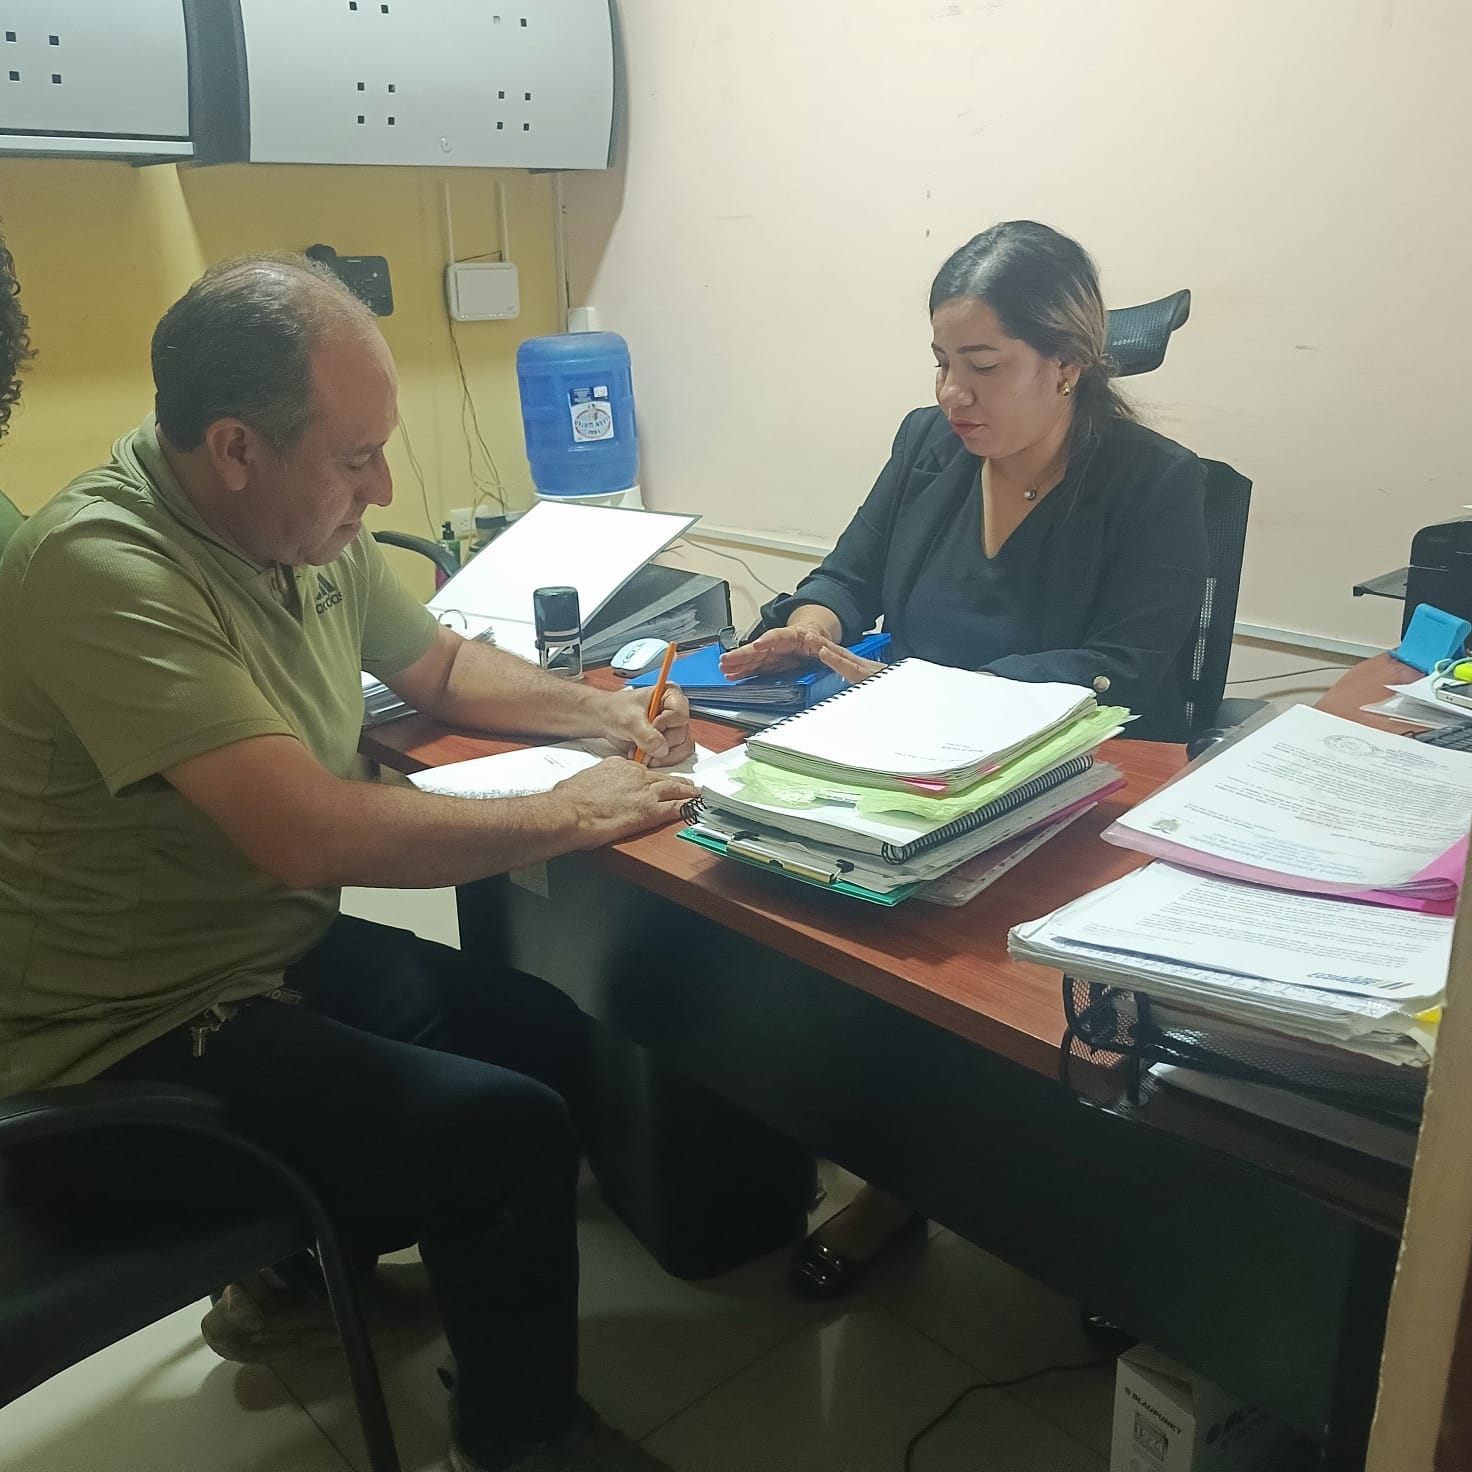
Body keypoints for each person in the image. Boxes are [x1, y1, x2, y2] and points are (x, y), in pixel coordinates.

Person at [0, 254, 699, 1472]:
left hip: (256, 947)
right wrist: (569, 812)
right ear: (235, 447)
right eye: (356, 457)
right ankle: (517, 1440)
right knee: (502, 1131)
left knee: (541, 1036)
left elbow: (439, 665)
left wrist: (603, 717)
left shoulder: (290, 514)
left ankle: (294, 1275)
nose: (379, 488)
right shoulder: (101, 566)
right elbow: (310, 832)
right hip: (118, 1033)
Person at [721, 220, 1209, 1297]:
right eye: (941, 361)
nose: (953, 392)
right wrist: (811, 623)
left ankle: (1098, 1232)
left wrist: (932, 690)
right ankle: (899, 1172)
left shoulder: (1154, 483)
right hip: (921, 774)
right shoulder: (928, 445)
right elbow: (850, 571)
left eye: (981, 365)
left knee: (1002, 990)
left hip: (1079, 798)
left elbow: (1125, 668)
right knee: (826, 932)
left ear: (1065, 363)